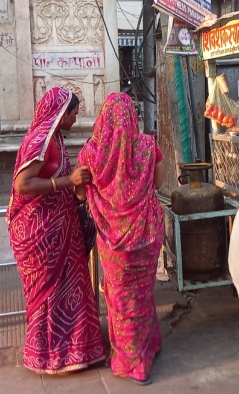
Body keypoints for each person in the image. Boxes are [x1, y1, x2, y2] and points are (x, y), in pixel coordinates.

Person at [7, 87, 106, 374]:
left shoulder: (56, 139)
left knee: (69, 290)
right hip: (40, 232)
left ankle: (75, 352)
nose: (77, 118)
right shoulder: (41, 142)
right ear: (61, 114)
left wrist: (76, 190)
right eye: (74, 113)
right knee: (49, 297)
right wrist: (65, 182)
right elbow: (22, 184)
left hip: (60, 228)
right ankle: (50, 357)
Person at [77, 93, 165, 386]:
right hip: (145, 233)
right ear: (132, 117)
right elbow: (158, 183)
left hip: (110, 239)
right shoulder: (148, 147)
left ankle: (130, 361)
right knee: (142, 292)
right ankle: (147, 348)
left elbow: (80, 191)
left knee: (119, 297)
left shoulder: (90, 153)